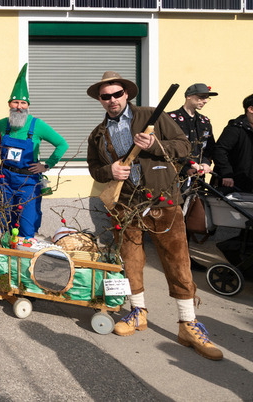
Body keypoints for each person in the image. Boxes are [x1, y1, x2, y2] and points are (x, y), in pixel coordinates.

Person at [86, 71, 223, 361]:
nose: (112, 100)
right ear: (100, 100)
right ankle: (138, 312)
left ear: (126, 94)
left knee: (177, 260)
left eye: (117, 94)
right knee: (131, 259)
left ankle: (187, 324)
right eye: (106, 96)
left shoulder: (152, 116)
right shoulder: (98, 133)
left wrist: (154, 146)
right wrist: (110, 171)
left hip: (162, 199)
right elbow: (95, 168)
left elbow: (183, 146)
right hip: (125, 204)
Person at [0, 64, 68, 238]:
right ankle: (7, 253)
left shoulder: (37, 125)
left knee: (27, 224)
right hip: (4, 180)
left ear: (28, 105)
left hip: (28, 181)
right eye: (15, 102)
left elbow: (62, 144)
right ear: (9, 104)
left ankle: (26, 252)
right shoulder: (2, 124)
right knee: (5, 222)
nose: (19, 106)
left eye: (23, 103)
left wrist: (47, 165)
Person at [168, 83, 217, 177]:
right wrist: (187, 166)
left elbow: (210, 148)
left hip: (198, 175)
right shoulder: (171, 119)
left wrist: (205, 163)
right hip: (175, 175)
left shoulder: (204, 121)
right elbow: (168, 147)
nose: (205, 101)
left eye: (207, 98)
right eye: (201, 97)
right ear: (188, 96)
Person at [212, 93, 253, 193]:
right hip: (233, 186)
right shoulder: (235, 128)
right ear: (251, 109)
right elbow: (219, 150)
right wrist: (227, 173)